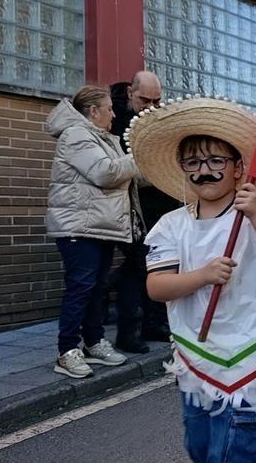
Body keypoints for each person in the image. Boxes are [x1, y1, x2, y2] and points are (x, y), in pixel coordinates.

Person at [133, 97, 256, 463]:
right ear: (182, 168)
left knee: (234, 447)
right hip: (197, 349)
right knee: (201, 444)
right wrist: (202, 276)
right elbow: (157, 287)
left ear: (238, 167)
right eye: (193, 162)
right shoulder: (171, 225)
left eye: (215, 161)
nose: (204, 171)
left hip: (251, 343)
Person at [45, 85, 139, 378]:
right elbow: (105, 172)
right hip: (78, 227)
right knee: (81, 287)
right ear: (93, 111)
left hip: (96, 225)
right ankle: (67, 351)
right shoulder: (76, 135)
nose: (114, 114)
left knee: (96, 287)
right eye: (109, 109)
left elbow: (122, 173)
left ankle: (94, 342)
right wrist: (139, 156)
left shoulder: (101, 138)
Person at [108, 70, 176, 353]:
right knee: (138, 269)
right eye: (144, 100)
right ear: (130, 94)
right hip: (132, 209)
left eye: (156, 101)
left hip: (164, 207)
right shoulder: (116, 123)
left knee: (160, 265)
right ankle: (130, 329)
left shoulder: (159, 119)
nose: (150, 107)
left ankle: (155, 323)